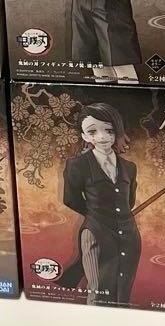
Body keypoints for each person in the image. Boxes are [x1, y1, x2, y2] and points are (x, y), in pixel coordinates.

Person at [59, 104, 140, 305]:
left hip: (129, 235)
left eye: (109, 130)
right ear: (84, 136)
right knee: (98, 289)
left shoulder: (129, 167)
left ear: (117, 132)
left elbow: (129, 201)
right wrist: (95, 214)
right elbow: (70, 198)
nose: (102, 137)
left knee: (123, 289)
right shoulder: (77, 165)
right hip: (95, 233)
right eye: (92, 132)